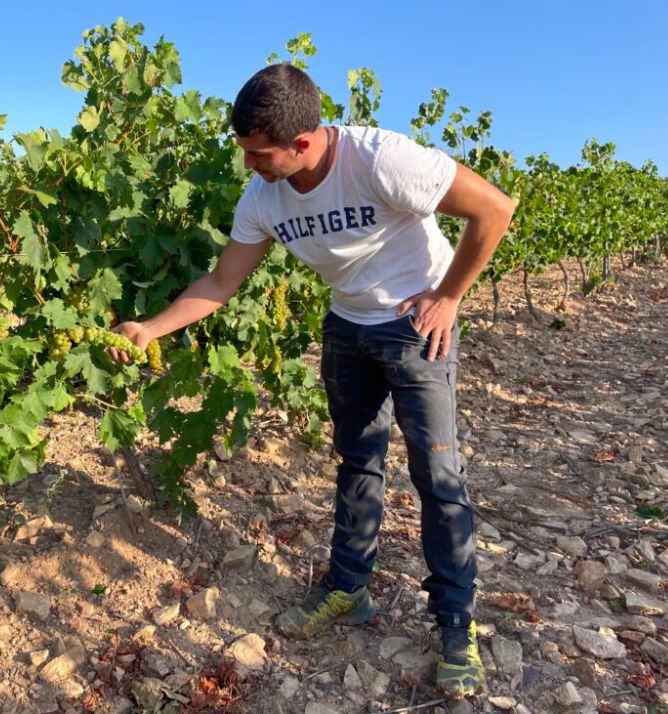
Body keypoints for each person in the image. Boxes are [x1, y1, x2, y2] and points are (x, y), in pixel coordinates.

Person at [111, 63, 515, 698]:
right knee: (357, 459)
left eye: (257, 153)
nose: (249, 165)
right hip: (347, 328)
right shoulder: (264, 197)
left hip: (415, 327)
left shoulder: (381, 161)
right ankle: (349, 588)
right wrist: (152, 329)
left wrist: (449, 295)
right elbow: (221, 283)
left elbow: (495, 208)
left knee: (437, 475)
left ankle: (456, 627)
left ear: (302, 143)